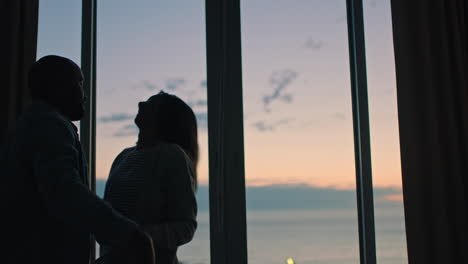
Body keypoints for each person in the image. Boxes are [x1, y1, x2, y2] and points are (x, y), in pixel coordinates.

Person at [2, 55, 154, 264]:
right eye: (79, 83)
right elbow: (65, 192)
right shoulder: (50, 124)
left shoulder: (28, 125)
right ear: (57, 87)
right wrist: (127, 233)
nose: (84, 94)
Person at [102, 91, 198, 264]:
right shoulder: (123, 156)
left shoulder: (172, 155)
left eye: (152, 104)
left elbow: (186, 226)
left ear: (165, 119)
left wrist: (138, 236)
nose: (140, 104)